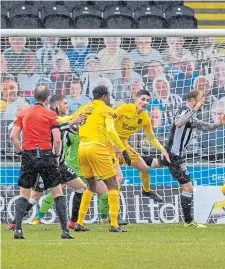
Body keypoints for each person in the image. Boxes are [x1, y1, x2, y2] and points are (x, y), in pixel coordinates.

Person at [6, 95, 87, 231]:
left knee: (81, 188)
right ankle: (15, 223)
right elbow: (60, 126)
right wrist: (73, 121)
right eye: (64, 103)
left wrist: (81, 124)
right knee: (36, 195)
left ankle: (73, 223)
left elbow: (69, 128)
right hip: (48, 162)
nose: (67, 106)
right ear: (56, 105)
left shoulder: (58, 118)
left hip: (60, 165)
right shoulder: (50, 117)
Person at [157, 90, 225, 227]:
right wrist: (195, 109)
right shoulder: (184, 111)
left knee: (154, 164)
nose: (204, 102)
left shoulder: (192, 114)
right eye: (201, 99)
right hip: (174, 155)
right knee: (188, 188)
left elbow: (204, 126)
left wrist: (220, 123)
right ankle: (189, 222)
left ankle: (139, 161)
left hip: (173, 153)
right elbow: (178, 123)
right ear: (193, 100)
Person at [65, 86, 128, 232]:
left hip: (82, 148)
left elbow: (68, 119)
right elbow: (111, 130)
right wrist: (122, 149)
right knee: (113, 184)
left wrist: (53, 120)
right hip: (97, 148)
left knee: (91, 185)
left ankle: (79, 223)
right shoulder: (106, 109)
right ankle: (114, 224)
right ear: (105, 96)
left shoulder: (85, 107)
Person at [113, 89, 171, 202]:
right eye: (143, 99)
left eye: (148, 100)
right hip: (108, 143)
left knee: (145, 169)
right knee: (117, 179)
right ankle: (112, 215)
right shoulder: (123, 109)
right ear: (136, 99)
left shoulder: (145, 118)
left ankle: (146, 191)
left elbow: (151, 138)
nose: (145, 102)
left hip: (123, 145)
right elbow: (107, 123)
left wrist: (162, 149)